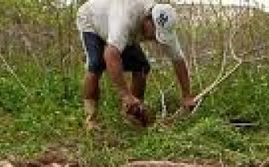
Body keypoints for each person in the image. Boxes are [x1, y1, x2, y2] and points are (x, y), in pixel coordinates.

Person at [76, 0, 196, 129]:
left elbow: (178, 60)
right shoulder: (125, 17)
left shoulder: (164, 25)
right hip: (92, 20)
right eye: (155, 33)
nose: (156, 38)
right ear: (148, 19)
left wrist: (186, 95)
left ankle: (133, 113)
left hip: (122, 32)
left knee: (141, 66)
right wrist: (125, 94)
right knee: (96, 64)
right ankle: (91, 119)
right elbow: (110, 55)